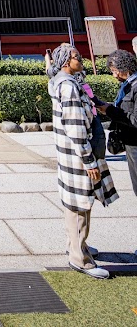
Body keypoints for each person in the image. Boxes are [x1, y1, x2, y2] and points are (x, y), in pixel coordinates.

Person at [48, 44, 118, 278]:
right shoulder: (67, 87)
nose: (82, 59)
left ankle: (77, 244)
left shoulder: (63, 80)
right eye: (77, 57)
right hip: (78, 154)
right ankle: (80, 259)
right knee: (81, 204)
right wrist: (89, 161)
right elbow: (76, 126)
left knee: (75, 201)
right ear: (67, 62)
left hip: (71, 152)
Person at [95, 49, 137, 197]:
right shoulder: (127, 85)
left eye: (114, 70)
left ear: (123, 68)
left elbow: (135, 119)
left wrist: (110, 111)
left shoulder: (136, 86)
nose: (114, 75)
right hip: (130, 141)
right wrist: (108, 108)